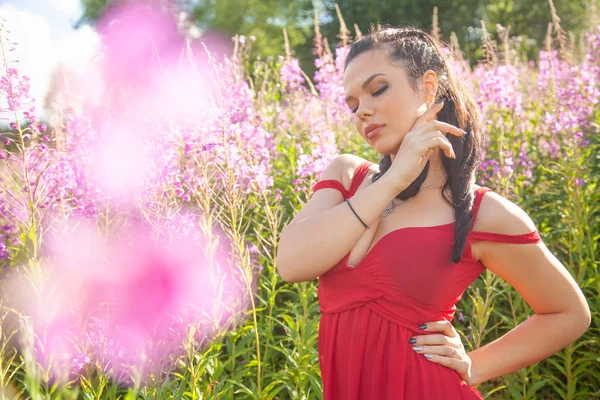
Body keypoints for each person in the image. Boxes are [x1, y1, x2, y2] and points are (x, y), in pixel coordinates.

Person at [275, 26, 591, 399]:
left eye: (378, 89)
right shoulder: (347, 176)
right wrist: (392, 181)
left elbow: (569, 313)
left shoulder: (479, 213)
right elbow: (291, 264)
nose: (364, 111)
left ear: (427, 86)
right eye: (353, 104)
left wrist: (476, 365)